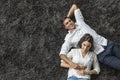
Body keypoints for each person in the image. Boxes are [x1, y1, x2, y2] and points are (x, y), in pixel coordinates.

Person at [59, 4, 120, 70]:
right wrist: (72, 64)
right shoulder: (69, 38)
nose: (70, 23)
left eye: (70, 21)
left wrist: (67, 17)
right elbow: (62, 55)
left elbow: (74, 6)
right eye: (67, 23)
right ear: (65, 27)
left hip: (108, 44)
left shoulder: (80, 22)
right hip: (102, 55)